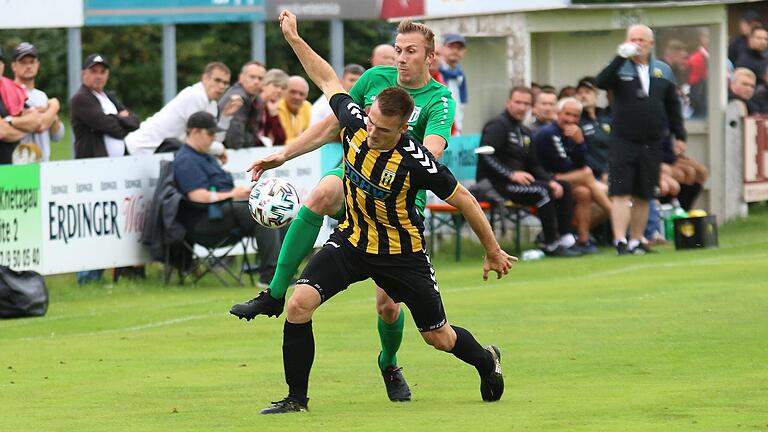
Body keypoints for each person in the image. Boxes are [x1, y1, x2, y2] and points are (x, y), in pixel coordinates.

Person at [251, 10, 513, 414]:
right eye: (370, 123)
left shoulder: (418, 158)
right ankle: (295, 399)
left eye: (382, 131)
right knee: (299, 304)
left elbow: (465, 199)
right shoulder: (359, 120)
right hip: (352, 240)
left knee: (437, 337)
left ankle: (485, 360)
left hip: (400, 252)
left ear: (404, 129)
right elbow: (326, 78)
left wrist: (493, 250)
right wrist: (293, 37)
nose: (371, 133)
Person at [230, 16, 456, 403]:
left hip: (397, 205)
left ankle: (389, 362)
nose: (401, 59)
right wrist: (284, 154)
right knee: (320, 195)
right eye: (398, 50)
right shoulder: (373, 78)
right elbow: (335, 123)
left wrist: (403, 161)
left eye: (410, 52)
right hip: (354, 176)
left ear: (430, 57)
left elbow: (433, 151)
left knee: (387, 307)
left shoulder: (439, 100)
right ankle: (275, 293)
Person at [596, 24, 686, 255]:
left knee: (644, 192)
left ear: (650, 44)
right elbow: (601, 82)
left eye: (642, 40)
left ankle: (637, 239)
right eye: (633, 39)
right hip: (623, 139)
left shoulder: (662, 70)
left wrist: (680, 135)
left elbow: (673, 106)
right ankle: (620, 240)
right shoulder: (619, 67)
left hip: (652, 140)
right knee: (620, 191)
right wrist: (619, 57)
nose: (637, 43)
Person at [172, 111, 281, 287]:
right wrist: (232, 195)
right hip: (205, 222)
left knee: (279, 210)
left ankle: (282, 272)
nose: (213, 138)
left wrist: (243, 193)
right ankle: (269, 276)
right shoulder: (186, 160)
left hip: (223, 213)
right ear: (194, 132)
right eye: (210, 134)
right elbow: (197, 196)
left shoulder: (205, 155)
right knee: (264, 214)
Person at [476, 86, 580, 257]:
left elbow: (534, 165)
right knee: (543, 191)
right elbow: (485, 156)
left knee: (562, 186)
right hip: (498, 186)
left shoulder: (524, 130)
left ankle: (566, 239)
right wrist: (511, 174)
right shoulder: (497, 125)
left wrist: (550, 180)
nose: (522, 107)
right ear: (508, 103)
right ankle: (550, 243)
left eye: (526, 104)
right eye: (518, 102)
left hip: (520, 184)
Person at [70, 53, 141, 283]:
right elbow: (108, 125)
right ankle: (88, 277)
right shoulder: (81, 98)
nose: (98, 76)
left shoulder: (109, 96)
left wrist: (120, 120)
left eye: (102, 71)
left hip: (117, 170)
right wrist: (120, 119)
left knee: (115, 221)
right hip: (94, 169)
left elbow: (135, 122)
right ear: (84, 73)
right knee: (94, 221)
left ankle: (119, 272)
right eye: (94, 71)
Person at [534, 97, 611, 253]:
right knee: (587, 174)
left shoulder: (574, 133)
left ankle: (582, 240)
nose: (570, 119)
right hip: (546, 180)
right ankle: (615, 215)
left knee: (584, 192)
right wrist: (579, 145)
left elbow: (580, 162)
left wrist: (580, 142)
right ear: (558, 113)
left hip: (566, 182)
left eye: (575, 116)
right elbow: (563, 165)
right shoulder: (549, 132)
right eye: (567, 114)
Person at [125, 62, 242, 155]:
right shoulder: (195, 96)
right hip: (138, 150)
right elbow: (199, 142)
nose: (221, 86)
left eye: (225, 83)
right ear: (205, 78)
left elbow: (213, 140)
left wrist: (226, 116)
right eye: (217, 80)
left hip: (154, 153)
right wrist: (220, 150)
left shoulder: (212, 105)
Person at [10, 42, 63, 163]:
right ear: (14, 66)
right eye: (23, 62)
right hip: (17, 165)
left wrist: (53, 117)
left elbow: (57, 136)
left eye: (32, 62)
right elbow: (40, 125)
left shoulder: (42, 96)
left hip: (43, 164)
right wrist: (54, 106)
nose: (28, 66)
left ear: (38, 65)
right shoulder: (8, 92)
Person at [0, 47, 45, 164]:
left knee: (32, 182)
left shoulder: (9, 89)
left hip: (14, 168)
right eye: (24, 62)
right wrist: (25, 126)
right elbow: (3, 132)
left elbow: (36, 120)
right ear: (13, 66)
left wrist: (9, 121)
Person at [220, 61, 268, 149]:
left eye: (260, 78)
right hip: (231, 153)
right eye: (252, 77)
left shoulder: (255, 98)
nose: (256, 82)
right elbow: (234, 139)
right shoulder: (238, 98)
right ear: (241, 78)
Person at [576, 78, 612, 182]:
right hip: (593, 173)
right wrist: (602, 172)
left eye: (587, 92)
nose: (583, 96)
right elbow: (583, 153)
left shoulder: (608, 116)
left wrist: (609, 170)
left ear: (596, 95)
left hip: (613, 170)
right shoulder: (576, 120)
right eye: (579, 93)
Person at [439, 33, 468, 135]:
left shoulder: (460, 75)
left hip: (455, 131)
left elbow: (461, 104)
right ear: (442, 48)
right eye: (451, 47)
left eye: (459, 48)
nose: (455, 51)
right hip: (438, 128)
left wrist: (458, 127)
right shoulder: (435, 71)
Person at [258, 68, 289, 146]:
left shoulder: (270, 108)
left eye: (283, 88)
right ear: (264, 85)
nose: (279, 90)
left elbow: (281, 139)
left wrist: (274, 115)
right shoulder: (253, 104)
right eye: (276, 85)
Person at [277, 75, 311, 142]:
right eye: (293, 92)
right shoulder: (278, 106)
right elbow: (285, 140)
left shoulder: (307, 106)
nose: (297, 97)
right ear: (284, 91)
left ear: (306, 97)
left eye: (301, 94)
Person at [687, 28, 709, 117]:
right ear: (701, 38)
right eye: (707, 37)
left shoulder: (722, 58)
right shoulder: (696, 59)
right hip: (702, 106)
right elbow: (695, 87)